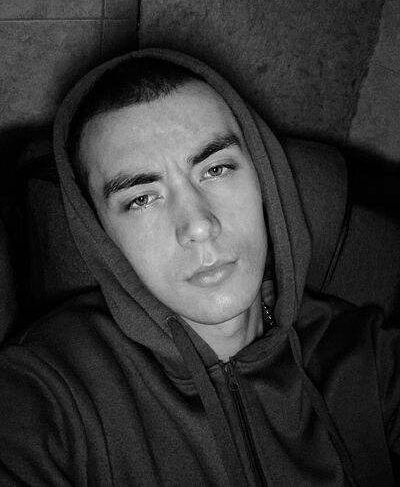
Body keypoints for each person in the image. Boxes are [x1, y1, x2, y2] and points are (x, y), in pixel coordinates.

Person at [0, 48, 399, 486]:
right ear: (101, 236)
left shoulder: (368, 357)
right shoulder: (45, 387)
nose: (199, 226)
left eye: (217, 169)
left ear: (264, 179)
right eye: (142, 198)